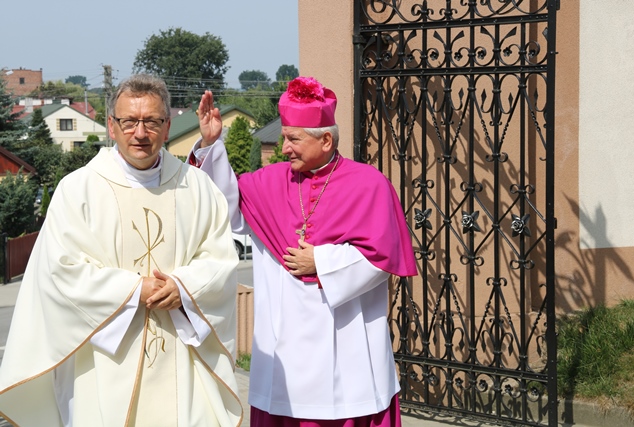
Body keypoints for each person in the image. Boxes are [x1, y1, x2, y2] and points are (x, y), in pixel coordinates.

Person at [0, 74, 242, 427]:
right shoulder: (78, 190)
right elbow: (59, 273)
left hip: (182, 361)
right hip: (101, 364)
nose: (140, 133)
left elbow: (220, 260)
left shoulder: (198, 187)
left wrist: (184, 287)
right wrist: (133, 291)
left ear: (167, 126)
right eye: (129, 122)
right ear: (111, 126)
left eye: (151, 122)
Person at [189, 76, 418, 427]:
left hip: (348, 353)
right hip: (284, 349)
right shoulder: (269, 181)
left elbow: (383, 259)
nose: (284, 148)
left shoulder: (369, 185)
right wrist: (211, 144)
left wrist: (321, 261)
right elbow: (222, 206)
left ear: (325, 140)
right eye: (284, 137)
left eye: (293, 139)